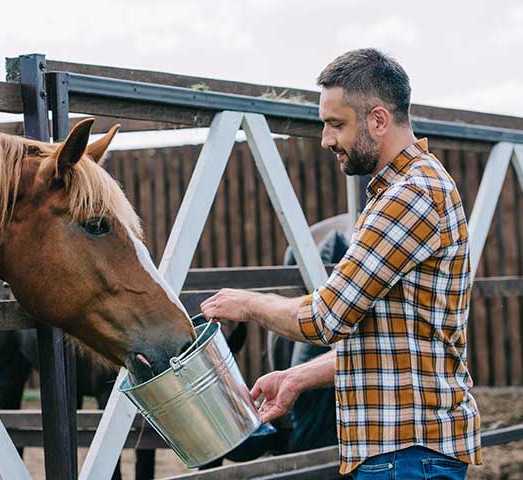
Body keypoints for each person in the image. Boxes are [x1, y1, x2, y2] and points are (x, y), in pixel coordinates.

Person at [200, 48, 481, 479]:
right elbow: (392, 343)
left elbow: (326, 318)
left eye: (336, 124)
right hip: (404, 453)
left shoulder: (410, 196)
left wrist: (249, 303)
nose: (326, 139)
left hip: (405, 457)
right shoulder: (404, 191)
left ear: (378, 120)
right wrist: (299, 376)